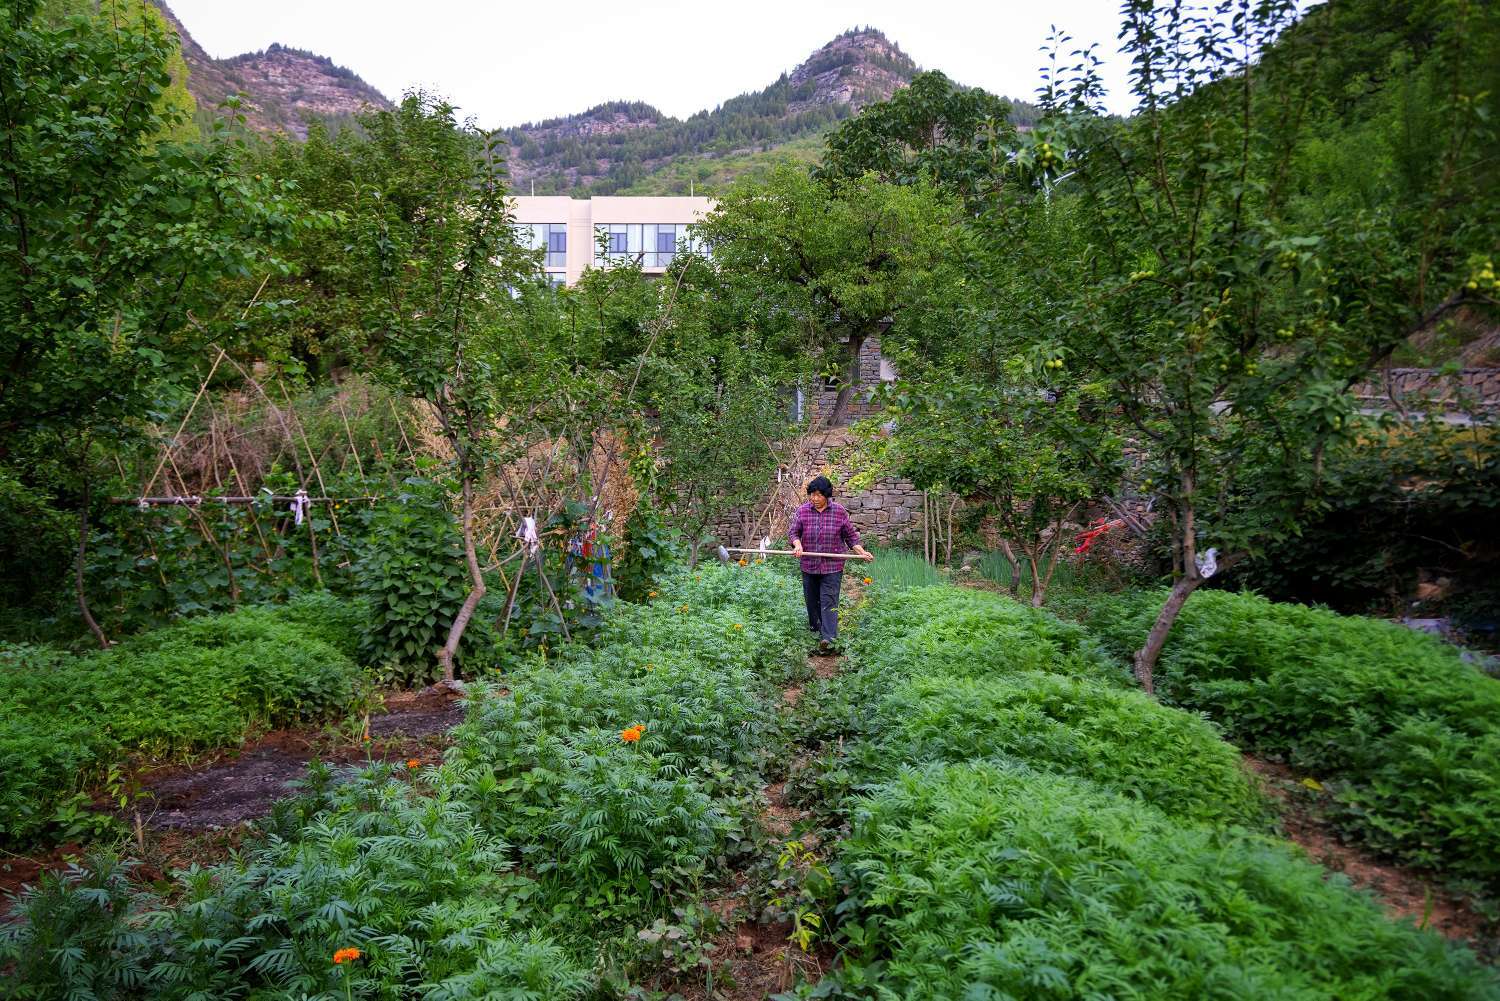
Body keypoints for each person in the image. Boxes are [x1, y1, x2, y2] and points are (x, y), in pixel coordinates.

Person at [789, 475, 873, 653]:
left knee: (829, 601)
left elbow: (851, 537)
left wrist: (861, 552)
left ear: (827, 495)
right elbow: (794, 532)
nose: (815, 499)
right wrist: (798, 544)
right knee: (812, 603)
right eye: (812, 495)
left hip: (832, 566)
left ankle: (828, 639)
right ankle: (814, 634)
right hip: (809, 565)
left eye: (818, 495)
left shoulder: (839, 512)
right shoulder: (803, 511)